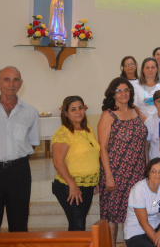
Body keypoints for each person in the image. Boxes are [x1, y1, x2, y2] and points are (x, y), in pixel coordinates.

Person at [0, 67, 39, 233]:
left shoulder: (30, 112)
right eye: (6, 79)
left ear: (21, 83)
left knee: (19, 222)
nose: (11, 84)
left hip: (19, 172)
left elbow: (33, 143)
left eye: (16, 80)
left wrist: (16, 159)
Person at [98, 77, 147, 247]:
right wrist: (109, 176)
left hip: (137, 172)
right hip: (116, 172)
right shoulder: (108, 115)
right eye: (119, 90)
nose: (123, 93)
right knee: (113, 216)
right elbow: (102, 148)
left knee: (132, 214)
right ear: (113, 94)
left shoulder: (135, 110)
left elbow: (144, 141)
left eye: (126, 90)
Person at [52, 96, 100, 231]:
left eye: (80, 108)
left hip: (87, 185)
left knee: (79, 223)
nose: (78, 112)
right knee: (77, 224)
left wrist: (94, 181)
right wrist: (72, 185)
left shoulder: (87, 129)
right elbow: (57, 162)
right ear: (66, 113)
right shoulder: (63, 132)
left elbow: (91, 156)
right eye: (73, 109)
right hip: (69, 185)